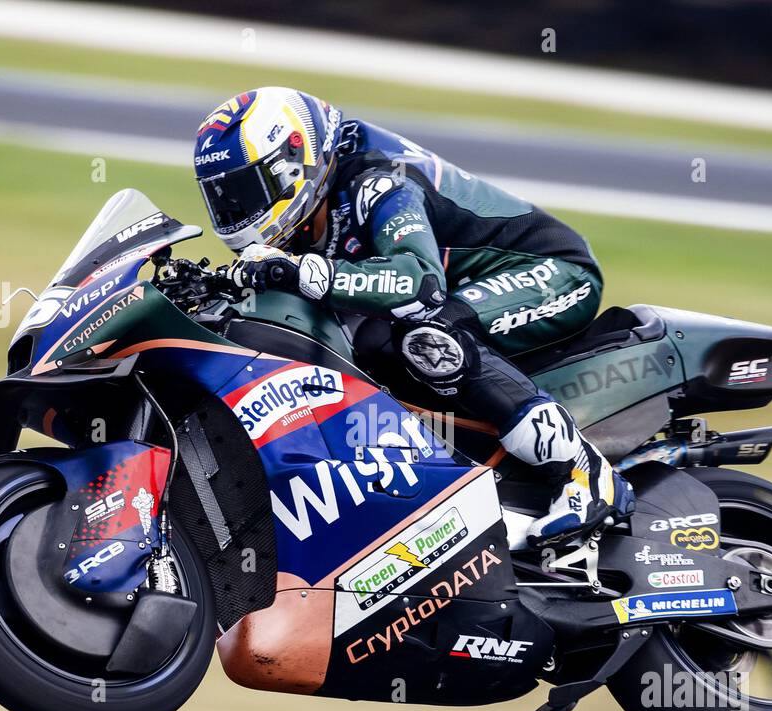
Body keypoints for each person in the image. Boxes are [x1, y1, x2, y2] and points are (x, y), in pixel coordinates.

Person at [193, 87, 633, 545]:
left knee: (425, 333)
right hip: (463, 288)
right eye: (224, 200)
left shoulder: (378, 179)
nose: (237, 213)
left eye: (247, 193)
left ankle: (584, 472)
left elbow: (418, 282)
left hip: (549, 272)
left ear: (294, 159)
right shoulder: (310, 209)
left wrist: (308, 271)